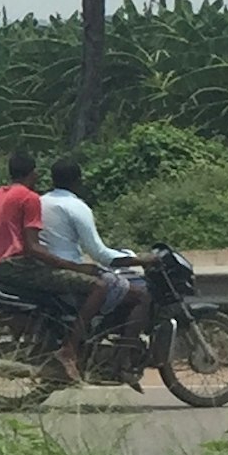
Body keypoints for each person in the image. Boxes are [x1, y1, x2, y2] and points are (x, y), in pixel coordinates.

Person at [38, 157, 151, 377]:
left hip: (46, 268)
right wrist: (141, 260)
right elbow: (100, 254)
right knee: (140, 295)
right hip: (70, 270)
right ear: (77, 181)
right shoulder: (76, 207)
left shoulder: (40, 202)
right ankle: (121, 361)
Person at [0, 148, 90, 352]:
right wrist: (73, 266)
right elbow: (33, 247)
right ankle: (69, 351)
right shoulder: (29, 198)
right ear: (33, 173)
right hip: (18, 266)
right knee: (97, 285)